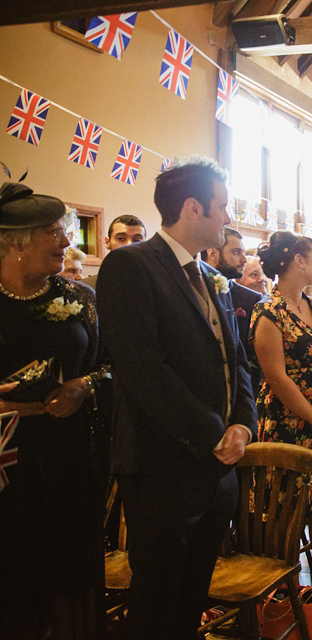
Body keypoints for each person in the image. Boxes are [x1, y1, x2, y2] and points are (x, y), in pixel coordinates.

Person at [97, 157, 256, 640]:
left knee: (191, 598)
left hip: (217, 468)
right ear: (193, 207)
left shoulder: (210, 278)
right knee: (158, 601)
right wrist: (213, 432)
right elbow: (143, 371)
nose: (228, 218)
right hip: (163, 464)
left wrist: (244, 424)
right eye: (222, 207)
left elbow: (236, 361)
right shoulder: (131, 266)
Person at [0, 181, 107, 639]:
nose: (68, 241)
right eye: (54, 232)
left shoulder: (80, 298)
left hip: (68, 456)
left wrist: (84, 385)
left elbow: (113, 366)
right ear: (15, 243)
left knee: (66, 563)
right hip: (7, 461)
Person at [251, 231, 312, 619]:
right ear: (297, 262)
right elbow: (277, 377)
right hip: (288, 422)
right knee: (287, 507)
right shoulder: (268, 312)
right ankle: (283, 596)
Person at [203, 228, 264, 389]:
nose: (244, 259)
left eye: (243, 252)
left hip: (242, 385)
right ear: (213, 253)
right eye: (236, 252)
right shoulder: (194, 291)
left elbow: (255, 355)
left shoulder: (251, 299)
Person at [81, 213, 146, 290]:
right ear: (107, 242)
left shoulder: (156, 287)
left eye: (137, 240)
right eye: (121, 239)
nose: (129, 245)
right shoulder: (85, 288)